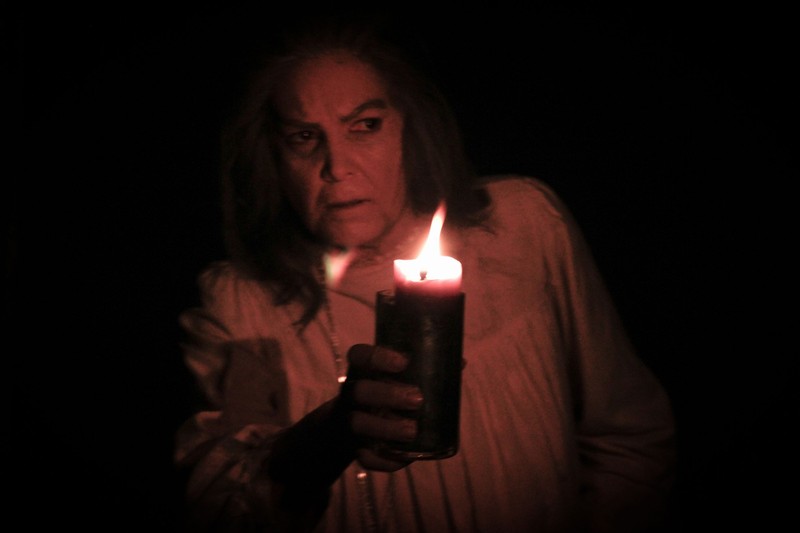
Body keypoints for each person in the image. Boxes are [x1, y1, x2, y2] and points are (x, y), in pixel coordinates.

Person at [174, 13, 676, 533]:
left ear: (410, 129)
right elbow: (220, 510)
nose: (337, 166)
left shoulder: (524, 227)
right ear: (272, 157)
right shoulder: (242, 306)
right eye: (304, 137)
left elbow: (630, 438)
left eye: (365, 125)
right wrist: (322, 442)